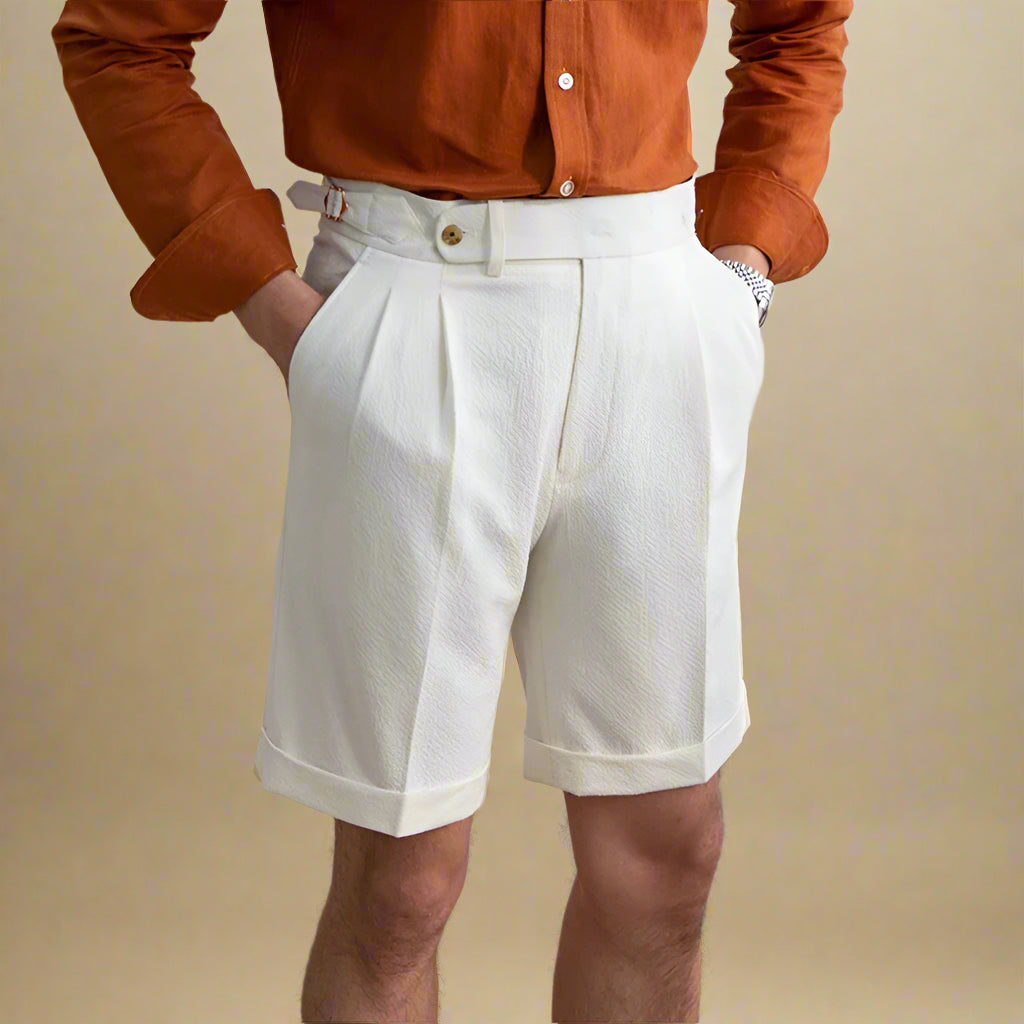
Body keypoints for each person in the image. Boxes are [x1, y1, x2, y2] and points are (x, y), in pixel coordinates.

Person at [51, 2, 853, 1020]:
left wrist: (744, 268)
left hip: (655, 312)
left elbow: (797, 24)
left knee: (667, 855)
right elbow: (120, 36)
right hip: (412, 303)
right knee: (402, 883)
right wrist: (274, 305)